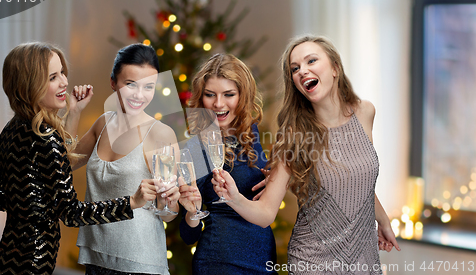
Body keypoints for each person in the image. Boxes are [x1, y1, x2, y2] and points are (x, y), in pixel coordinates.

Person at [212, 35, 400, 274]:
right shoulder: (294, 136)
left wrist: (382, 220)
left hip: (365, 258)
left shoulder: (365, 112)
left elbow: (357, 180)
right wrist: (234, 197)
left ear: (335, 68)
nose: (303, 70)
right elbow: (266, 213)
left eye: (311, 61)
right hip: (313, 262)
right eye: (295, 68)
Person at [0, 42, 153, 275]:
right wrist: (131, 202)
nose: (64, 82)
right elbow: (71, 214)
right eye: (52, 77)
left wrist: (28, 206)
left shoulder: (14, 127)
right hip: (33, 264)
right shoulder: (46, 138)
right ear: (30, 85)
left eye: (62, 72)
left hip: (4, 261)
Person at [69, 43, 198, 275]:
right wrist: (74, 112)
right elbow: (64, 164)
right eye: (130, 85)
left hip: (139, 263)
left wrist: (169, 200)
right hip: (96, 257)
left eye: (149, 87)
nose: (140, 95)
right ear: (113, 82)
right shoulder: (103, 122)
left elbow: (168, 215)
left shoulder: (161, 134)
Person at [179, 53, 277, 274]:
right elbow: (188, 236)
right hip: (220, 261)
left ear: (243, 95)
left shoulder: (252, 133)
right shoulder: (197, 146)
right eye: (210, 95)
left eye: (229, 94)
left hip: (264, 259)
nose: (218, 104)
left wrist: (274, 177)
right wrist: (192, 212)